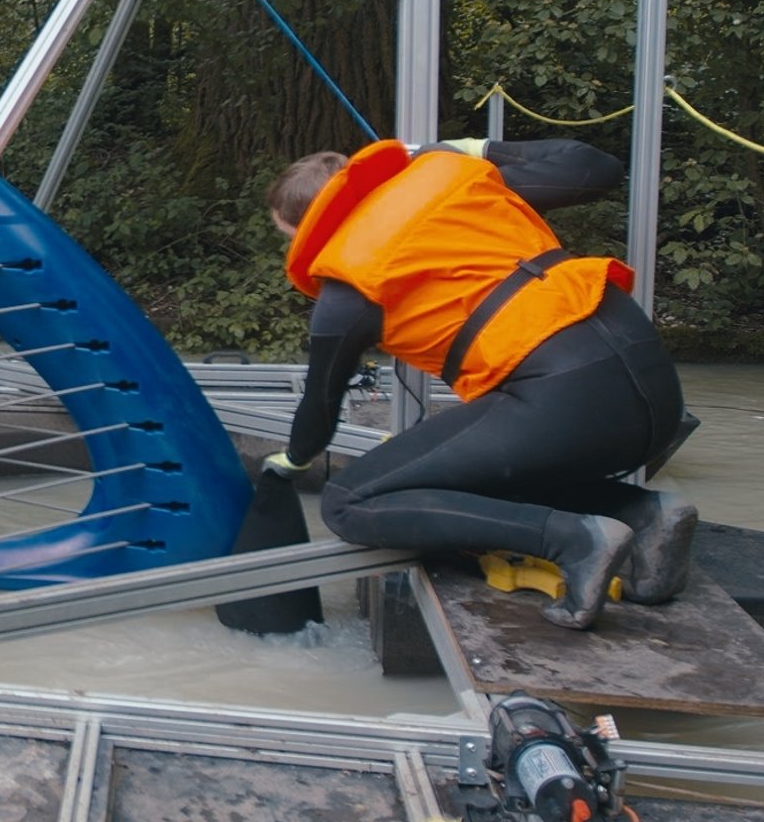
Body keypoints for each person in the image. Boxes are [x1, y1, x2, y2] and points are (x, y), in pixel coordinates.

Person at [264, 136, 694, 631]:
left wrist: (294, 460)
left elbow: (321, 407)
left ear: (313, 228)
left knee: (349, 500)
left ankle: (574, 540)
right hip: (654, 389)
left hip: (568, 407)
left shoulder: (346, 293)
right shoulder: (458, 186)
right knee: (472, 469)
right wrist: (478, 149)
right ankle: (644, 513)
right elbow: (594, 165)